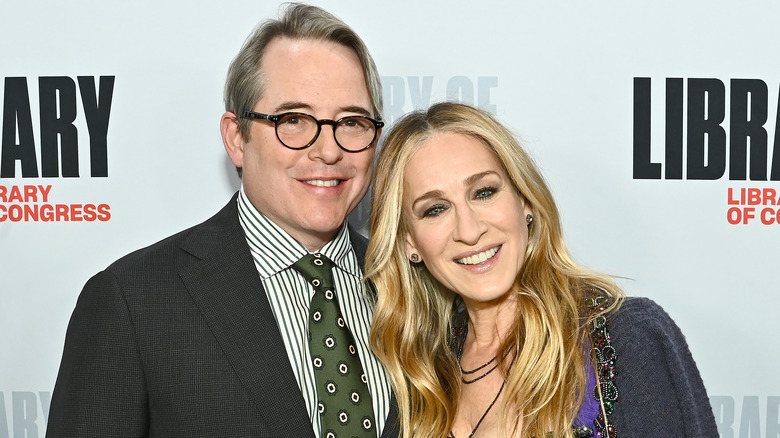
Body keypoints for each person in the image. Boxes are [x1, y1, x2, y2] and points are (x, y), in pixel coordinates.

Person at [47, 4, 398, 437]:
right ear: (237, 138)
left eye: (352, 122)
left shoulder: (411, 286)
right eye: (293, 120)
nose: (328, 150)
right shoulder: (133, 301)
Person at [366, 102, 718, 438]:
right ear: (409, 243)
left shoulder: (627, 336)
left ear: (525, 201)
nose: (469, 231)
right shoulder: (418, 375)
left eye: (484, 192)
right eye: (435, 209)